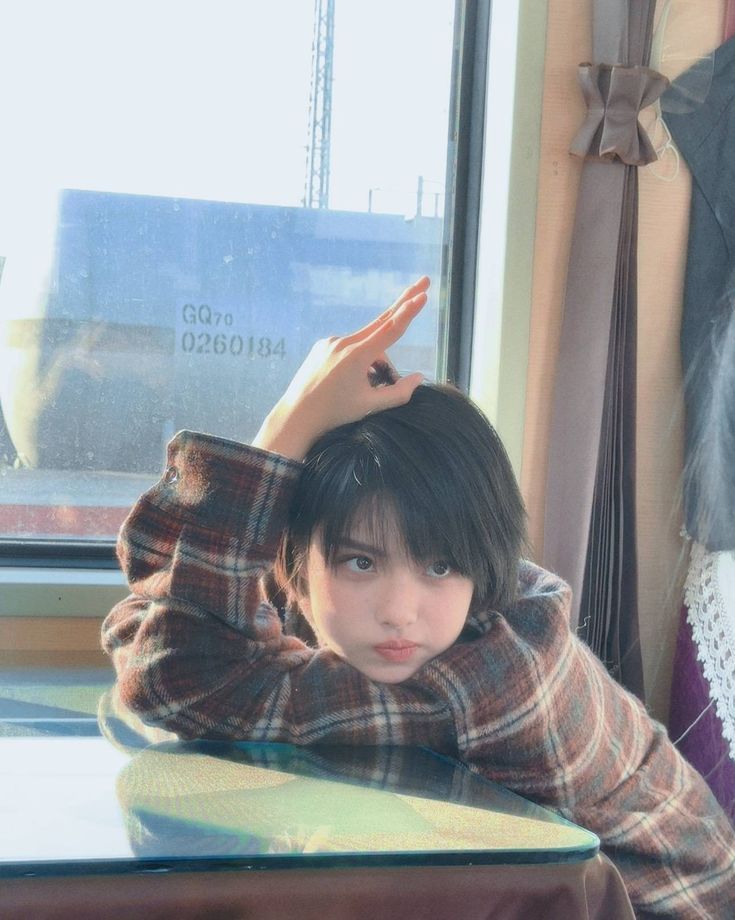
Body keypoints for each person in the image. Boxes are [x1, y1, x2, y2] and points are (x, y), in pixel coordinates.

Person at [103, 277, 735, 918]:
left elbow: (175, 679)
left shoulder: (493, 681)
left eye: (439, 566)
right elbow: (153, 617)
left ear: (481, 558)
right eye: (361, 562)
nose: (399, 612)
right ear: (296, 559)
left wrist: (283, 431)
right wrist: (286, 439)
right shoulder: (333, 592)